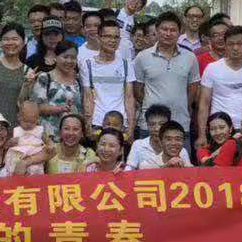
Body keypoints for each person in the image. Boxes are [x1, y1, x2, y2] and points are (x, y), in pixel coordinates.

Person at [132, 11, 201, 143]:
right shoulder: (142, 57)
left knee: (181, 157)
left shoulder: (190, 57)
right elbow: (138, 90)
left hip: (180, 124)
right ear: (157, 31)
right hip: (150, 125)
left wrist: (182, 104)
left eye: (173, 30)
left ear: (179, 32)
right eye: (164, 29)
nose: (168, 33)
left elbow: (193, 88)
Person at [198, 25, 242, 139]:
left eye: (240, 43)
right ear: (225, 45)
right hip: (218, 129)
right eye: (231, 44)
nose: (235, 48)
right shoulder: (212, 68)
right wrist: (202, 135)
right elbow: (204, 104)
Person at [81, 19, 135, 138]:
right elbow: (88, 97)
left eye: (116, 37)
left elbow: (129, 97)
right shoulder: (88, 64)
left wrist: (131, 127)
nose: (112, 41)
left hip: (121, 124)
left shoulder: (126, 64)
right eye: (108, 36)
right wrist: (88, 126)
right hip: (97, 123)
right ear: (99, 38)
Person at [26, 42, 83, 140]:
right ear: (55, 57)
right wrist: (59, 109)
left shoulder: (78, 81)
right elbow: (36, 107)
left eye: (73, 58)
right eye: (65, 57)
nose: (69, 61)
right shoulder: (45, 77)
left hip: (71, 137)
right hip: (49, 136)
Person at [126, 105, 193, 170]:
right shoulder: (138, 145)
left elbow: (188, 172)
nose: (157, 129)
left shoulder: (181, 150)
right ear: (147, 125)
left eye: (161, 124)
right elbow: (129, 170)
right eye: (152, 124)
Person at [11, 100, 48, 176]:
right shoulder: (16, 131)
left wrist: (46, 144)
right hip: (18, 160)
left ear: (37, 120)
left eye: (32, 122)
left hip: (36, 160)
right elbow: (8, 146)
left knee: (37, 177)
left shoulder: (39, 130)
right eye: (25, 121)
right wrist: (11, 142)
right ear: (19, 117)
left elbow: (49, 145)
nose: (28, 124)